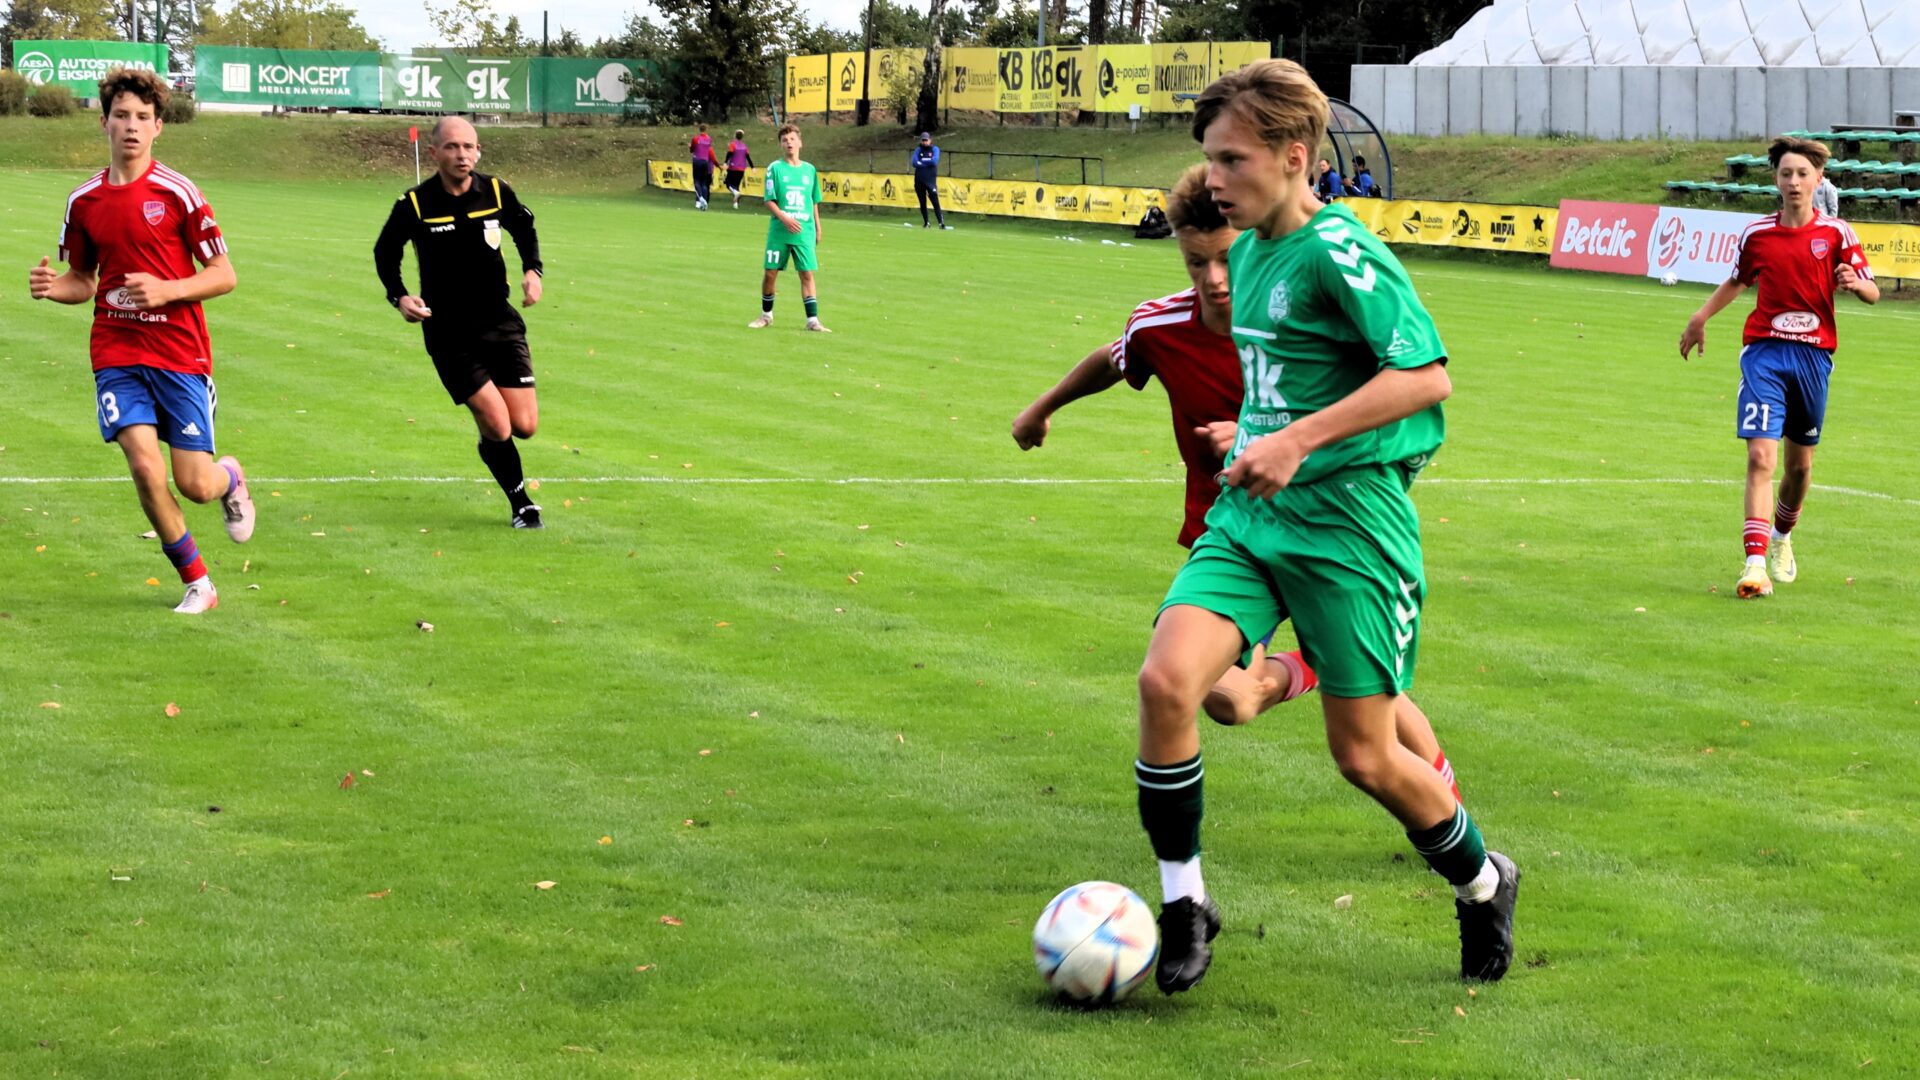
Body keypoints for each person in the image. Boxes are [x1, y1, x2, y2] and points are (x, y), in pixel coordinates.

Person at [1134, 58, 1518, 995]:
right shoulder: (1254, 247)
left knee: (1365, 755)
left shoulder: (1340, 251)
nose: (1213, 179)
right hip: (1253, 519)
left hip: (1350, 531)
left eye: (1230, 159)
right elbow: (1297, 378)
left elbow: (1425, 376)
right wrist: (1259, 435)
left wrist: (1296, 439)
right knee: (1167, 680)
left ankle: (1482, 881)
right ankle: (1184, 903)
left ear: (1293, 155)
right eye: (1209, 160)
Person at [1009, 164, 1465, 800]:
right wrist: (1042, 408)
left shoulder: (1302, 313)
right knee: (1228, 698)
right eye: (1197, 263)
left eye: (1226, 258)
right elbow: (1113, 359)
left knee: (1364, 714)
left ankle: (1446, 810)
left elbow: (1407, 386)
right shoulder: (1161, 327)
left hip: (1329, 521)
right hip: (1232, 526)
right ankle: (1313, 667)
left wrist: (1270, 439)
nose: (1215, 281)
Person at [28, 68, 253, 615]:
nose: (132, 127)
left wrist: (167, 289)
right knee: (145, 468)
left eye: (143, 118)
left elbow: (223, 274)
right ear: (104, 122)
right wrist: (53, 289)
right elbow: (84, 280)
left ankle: (229, 477)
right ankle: (198, 582)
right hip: (116, 352)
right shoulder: (83, 201)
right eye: (122, 116)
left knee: (195, 484)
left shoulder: (179, 192)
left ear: (159, 128)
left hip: (179, 352)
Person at [1678, 135, 1877, 598]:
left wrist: (1856, 284)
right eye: (1786, 174)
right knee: (1759, 456)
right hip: (1764, 353)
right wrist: (1700, 317)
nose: (1793, 182)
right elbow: (1737, 280)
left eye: (1802, 174)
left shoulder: (1837, 234)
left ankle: (1783, 538)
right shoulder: (1758, 235)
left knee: (1800, 469)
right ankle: (1753, 565)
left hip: (1813, 357)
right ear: (1775, 179)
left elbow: (1873, 291)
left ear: (1818, 180)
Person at [374, 116, 549, 529]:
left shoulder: (495, 191)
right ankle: (521, 503)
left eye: (469, 147)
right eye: (452, 147)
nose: (462, 155)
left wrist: (533, 270)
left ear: (479, 151)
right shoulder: (415, 204)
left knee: (523, 426)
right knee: (496, 419)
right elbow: (386, 253)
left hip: (500, 323)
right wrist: (400, 296)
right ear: (434, 153)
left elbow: (524, 225)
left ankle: (494, 447)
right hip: (449, 331)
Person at [749, 123, 829, 332]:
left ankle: (813, 320)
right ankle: (766, 315)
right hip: (780, 232)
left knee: (807, 274)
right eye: (785, 140)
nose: (789, 143)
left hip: (804, 231)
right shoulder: (774, 169)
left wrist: (818, 228)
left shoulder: (809, 170)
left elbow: (814, 201)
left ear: (800, 143)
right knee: (770, 273)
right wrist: (784, 218)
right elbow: (769, 200)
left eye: (792, 139)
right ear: (781, 145)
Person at [909, 132, 949, 229]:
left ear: (930, 140)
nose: (924, 142)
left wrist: (922, 161)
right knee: (922, 202)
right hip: (919, 180)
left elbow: (934, 161)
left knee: (935, 201)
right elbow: (914, 163)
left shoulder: (934, 149)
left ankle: (941, 222)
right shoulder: (918, 150)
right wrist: (927, 161)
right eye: (923, 140)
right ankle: (926, 222)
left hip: (930, 180)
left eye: (926, 140)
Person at [689, 124, 718, 210]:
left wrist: (690, 147)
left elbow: (692, 150)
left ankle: (700, 198)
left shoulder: (695, 139)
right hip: (705, 162)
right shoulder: (709, 139)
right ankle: (705, 202)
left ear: (699, 129)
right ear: (706, 130)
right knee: (704, 183)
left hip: (697, 160)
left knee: (697, 181)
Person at [723, 129, 753, 210]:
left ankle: (736, 193)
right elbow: (748, 157)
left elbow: (729, 154)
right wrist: (752, 167)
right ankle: (735, 204)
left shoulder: (733, 145)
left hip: (733, 167)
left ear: (735, 136)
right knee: (736, 185)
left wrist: (725, 163)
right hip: (742, 169)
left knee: (728, 183)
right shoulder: (744, 146)